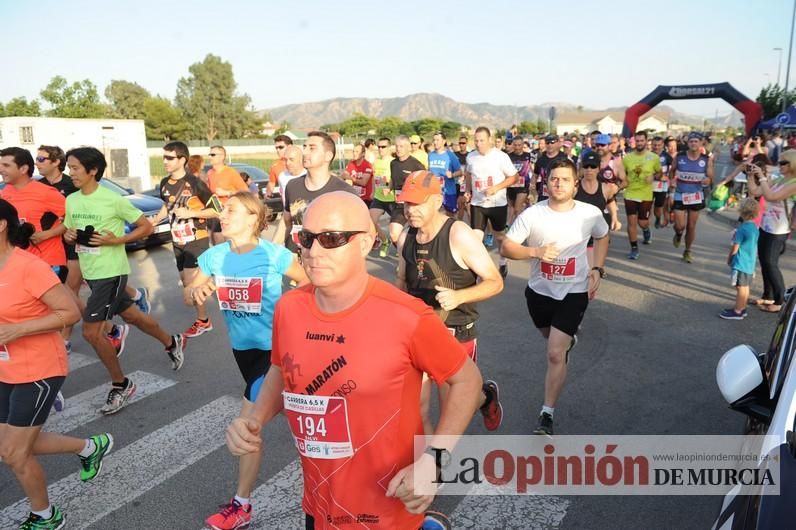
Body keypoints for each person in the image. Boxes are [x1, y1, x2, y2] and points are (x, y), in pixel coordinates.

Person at [224, 191, 483, 529]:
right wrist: (254, 419)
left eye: (332, 239)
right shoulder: (289, 308)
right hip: (319, 500)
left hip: (387, 508)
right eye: (306, 238)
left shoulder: (407, 316)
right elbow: (280, 367)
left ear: (365, 244)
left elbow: (468, 380)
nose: (313, 251)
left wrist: (433, 461)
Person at [187, 192, 308, 530]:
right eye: (222, 211)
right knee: (303, 417)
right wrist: (198, 291)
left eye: (230, 210)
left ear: (254, 218)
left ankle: (241, 505)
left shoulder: (274, 255)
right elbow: (189, 291)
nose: (222, 215)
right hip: (244, 354)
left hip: (276, 354)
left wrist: (294, 317)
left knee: (248, 426)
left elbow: (309, 284)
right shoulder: (214, 256)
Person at [0, 198, 113, 530]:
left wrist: (18, 329)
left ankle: (46, 516)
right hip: (4, 368)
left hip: (38, 368)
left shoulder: (27, 266)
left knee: (14, 453)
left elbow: (70, 312)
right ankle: (91, 446)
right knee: (14, 443)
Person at [63, 147, 186, 415]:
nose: (69, 172)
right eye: (68, 167)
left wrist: (116, 240)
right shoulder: (71, 200)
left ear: (92, 170)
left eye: (74, 168)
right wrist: (70, 236)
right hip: (91, 271)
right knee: (133, 316)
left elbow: (146, 227)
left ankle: (122, 384)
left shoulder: (112, 199)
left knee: (91, 332)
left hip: (111, 272)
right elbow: (69, 230)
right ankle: (171, 341)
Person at [501, 158, 609, 436]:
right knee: (551, 341)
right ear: (546, 183)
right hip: (539, 292)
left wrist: (597, 268)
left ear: (575, 184)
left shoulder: (590, 213)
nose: (558, 183)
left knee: (553, 353)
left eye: (564, 179)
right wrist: (534, 252)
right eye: (553, 179)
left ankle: (546, 414)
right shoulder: (532, 215)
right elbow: (507, 247)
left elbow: (603, 236)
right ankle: (567, 341)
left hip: (574, 292)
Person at [395, 170, 504, 436]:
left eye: (417, 203)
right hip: (418, 334)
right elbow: (401, 281)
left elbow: (495, 281)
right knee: (417, 409)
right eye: (407, 203)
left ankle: (484, 399)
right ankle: (429, 471)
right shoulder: (405, 238)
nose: (410, 210)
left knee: (451, 411)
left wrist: (459, 296)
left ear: (436, 200)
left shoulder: (458, 234)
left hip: (455, 333)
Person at [150, 141, 217, 338]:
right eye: (164, 157)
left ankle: (203, 321)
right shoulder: (164, 183)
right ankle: (211, 282)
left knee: (190, 287)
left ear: (182, 160)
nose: (165, 161)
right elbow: (167, 205)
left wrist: (191, 212)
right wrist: (155, 220)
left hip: (197, 239)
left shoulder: (195, 183)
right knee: (186, 281)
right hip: (177, 240)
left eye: (169, 158)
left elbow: (217, 210)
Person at [283, 132, 357, 254]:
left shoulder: (344, 192)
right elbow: (287, 222)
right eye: (304, 147)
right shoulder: (292, 186)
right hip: (295, 261)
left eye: (312, 148)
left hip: (326, 263)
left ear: (328, 156)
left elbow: (361, 232)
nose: (305, 152)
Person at [464, 127, 518, 278]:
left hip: (497, 204)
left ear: (489, 140)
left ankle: (503, 261)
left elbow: (514, 177)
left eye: (482, 140)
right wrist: (467, 190)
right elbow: (468, 174)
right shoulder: (471, 156)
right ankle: (476, 269)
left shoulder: (500, 157)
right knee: (476, 238)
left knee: (499, 236)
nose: (479, 143)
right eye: (476, 140)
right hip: (478, 204)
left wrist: (496, 188)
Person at [747, 149, 796, 312]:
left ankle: (779, 300)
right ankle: (767, 296)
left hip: (779, 229)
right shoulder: (780, 179)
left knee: (770, 263)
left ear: (793, 164)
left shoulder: (794, 183)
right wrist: (750, 174)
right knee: (764, 262)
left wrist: (762, 176)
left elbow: (771, 197)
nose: (779, 165)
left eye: (783, 163)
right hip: (766, 225)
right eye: (779, 162)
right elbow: (756, 192)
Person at [672, 132, 714, 263]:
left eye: (696, 141)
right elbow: (672, 171)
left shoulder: (706, 159)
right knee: (680, 225)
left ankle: (688, 250)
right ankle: (678, 234)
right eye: (691, 141)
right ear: (687, 143)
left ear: (701, 143)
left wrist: (708, 180)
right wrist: (671, 180)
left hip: (696, 195)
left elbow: (710, 177)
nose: (693, 144)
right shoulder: (679, 157)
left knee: (691, 226)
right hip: (680, 193)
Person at [621, 130, 661, 259]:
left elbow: (660, 173)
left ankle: (646, 230)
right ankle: (634, 248)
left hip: (646, 195)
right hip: (631, 193)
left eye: (641, 141)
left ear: (646, 141)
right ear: (634, 142)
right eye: (637, 141)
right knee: (631, 222)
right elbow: (623, 175)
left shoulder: (654, 157)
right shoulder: (627, 158)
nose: (639, 143)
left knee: (642, 222)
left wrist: (654, 176)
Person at [719, 198, 760, 320]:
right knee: (745, 287)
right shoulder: (755, 228)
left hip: (740, 262)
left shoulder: (742, 229)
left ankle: (737, 311)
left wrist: (730, 258)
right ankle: (742, 308)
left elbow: (735, 247)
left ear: (742, 212)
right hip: (750, 263)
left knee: (740, 287)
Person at [207, 145, 249, 244]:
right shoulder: (210, 173)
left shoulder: (231, 172)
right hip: (216, 212)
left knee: (229, 242)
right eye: (209, 154)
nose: (210, 157)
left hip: (230, 213)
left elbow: (246, 191)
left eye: (213, 155)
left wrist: (227, 192)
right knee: (215, 240)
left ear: (222, 157)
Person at [271, 145, 306, 246]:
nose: (287, 163)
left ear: (301, 160)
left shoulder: (307, 175)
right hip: (289, 217)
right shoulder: (282, 176)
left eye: (291, 159)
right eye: (285, 160)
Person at [369, 137, 395, 257]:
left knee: (396, 229)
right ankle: (385, 241)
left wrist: (389, 187)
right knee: (370, 221)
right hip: (379, 197)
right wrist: (373, 192)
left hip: (392, 198)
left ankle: (401, 250)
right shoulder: (376, 162)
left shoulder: (393, 162)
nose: (380, 149)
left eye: (383, 146)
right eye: (378, 146)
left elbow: (397, 179)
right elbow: (375, 179)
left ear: (389, 148)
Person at [427, 132, 462, 218]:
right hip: (434, 191)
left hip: (448, 191)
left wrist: (452, 175)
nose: (435, 142)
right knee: (434, 215)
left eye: (437, 140)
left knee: (449, 216)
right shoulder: (431, 155)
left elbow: (460, 172)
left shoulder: (450, 155)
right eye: (434, 140)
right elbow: (429, 171)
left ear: (444, 141)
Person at [532, 133, 569, 202]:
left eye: (552, 142)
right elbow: (535, 174)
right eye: (547, 143)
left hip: (560, 192)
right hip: (544, 194)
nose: (550, 145)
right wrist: (532, 188)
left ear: (558, 143)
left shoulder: (564, 157)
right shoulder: (541, 158)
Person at [507, 135, 531, 223]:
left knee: (517, 208)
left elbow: (534, 169)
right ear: (513, 145)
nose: (517, 147)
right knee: (511, 208)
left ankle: (517, 230)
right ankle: (509, 227)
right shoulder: (508, 156)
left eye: (519, 145)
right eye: (515, 145)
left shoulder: (528, 155)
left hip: (523, 186)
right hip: (511, 186)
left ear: (522, 145)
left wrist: (532, 183)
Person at [650, 136, 673, 228]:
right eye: (654, 145)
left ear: (663, 145)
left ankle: (658, 218)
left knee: (658, 208)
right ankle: (646, 227)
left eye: (659, 145)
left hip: (661, 187)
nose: (656, 147)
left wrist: (668, 178)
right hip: (649, 186)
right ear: (651, 145)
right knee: (647, 207)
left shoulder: (667, 156)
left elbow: (673, 170)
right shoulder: (647, 155)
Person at [343, 143, 374, 207]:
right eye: (353, 151)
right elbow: (344, 176)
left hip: (366, 199)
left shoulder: (367, 165)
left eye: (357, 151)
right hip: (354, 197)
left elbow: (363, 182)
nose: (354, 153)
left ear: (363, 154)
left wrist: (350, 178)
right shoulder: (351, 163)